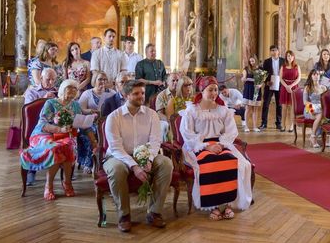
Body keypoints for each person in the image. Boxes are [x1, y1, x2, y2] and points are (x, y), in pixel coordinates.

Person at [104, 80, 173, 232]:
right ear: (126, 95)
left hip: (145, 154)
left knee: (166, 164)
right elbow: (115, 148)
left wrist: (148, 159)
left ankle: (154, 212)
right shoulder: (113, 118)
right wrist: (135, 166)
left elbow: (155, 141)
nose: (141, 96)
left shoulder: (152, 115)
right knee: (116, 170)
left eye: (142, 93)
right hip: (118, 156)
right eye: (136, 94)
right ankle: (124, 215)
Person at [179, 76, 253, 220]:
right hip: (198, 146)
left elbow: (231, 131)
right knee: (211, 164)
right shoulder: (192, 110)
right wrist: (205, 147)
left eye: (216, 90)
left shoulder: (223, 109)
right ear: (202, 90)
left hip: (220, 144)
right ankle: (214, 205)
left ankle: (228, 203)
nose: (214, 93)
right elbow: (187, 133)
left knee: (234, 162)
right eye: (210, 90)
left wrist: (221, 144)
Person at [20, 80, 86, 201]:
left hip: (66, 135)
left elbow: (78, 122)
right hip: (43, 134)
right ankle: (49, 185)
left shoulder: (76, 105)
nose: (72, 90)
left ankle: (67, 182)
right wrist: (59, 129)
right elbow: (43, 124)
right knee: (55, 148)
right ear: (62, 89)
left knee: (68, 147)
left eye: (75, 89)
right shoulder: (51, 103)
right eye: (69, 88)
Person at [260, 45, 285, 130]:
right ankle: (264, 123)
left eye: (275, 50)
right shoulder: (266, 61)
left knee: (279, 104)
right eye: (272, 50)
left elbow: (285, 72)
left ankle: (278, 123)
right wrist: (266, 82)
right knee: (266, 104)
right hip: (269, 84)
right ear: (270, 52)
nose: (274, 52)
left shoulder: (283, 61)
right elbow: (264, 74)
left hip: (280, 84)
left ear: (278, 51)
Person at [303, 69, 326, 148]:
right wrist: (311, 110)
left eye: (317, 74)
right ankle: (313, 137)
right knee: (320, 115)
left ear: (320, 76)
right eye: (314, 74)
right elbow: (305, 102)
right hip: (309, 108)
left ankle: (317, 136)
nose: (316, 76)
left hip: (321, 108)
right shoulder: (308, 87)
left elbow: (326, 101)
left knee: (323, 115)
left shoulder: (323, 88)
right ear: (311, 76)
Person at [279, 50, 301, 132]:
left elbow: (299, 78)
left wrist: (291, 86)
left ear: (293, 57)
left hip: (294, 88)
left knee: (292, 108)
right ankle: (283, 125)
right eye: (288, 56)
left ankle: (291, 125)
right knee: (284, 107)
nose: (290, 57)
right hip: (284, 88)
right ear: (286, 57)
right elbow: (280, 78)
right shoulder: (283, 67)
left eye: (291, 56)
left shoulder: (297, 66)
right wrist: (286, 86)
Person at [241, 56, 262, 132]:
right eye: (250, 61)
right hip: (248, 89)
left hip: (256, 90)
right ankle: (246, 126)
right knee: (248, 108)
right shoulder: (246, 69)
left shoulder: (260, 69)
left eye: (253, 61)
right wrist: (243, 79)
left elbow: (262, 80)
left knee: (255, 109)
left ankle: (255, 127)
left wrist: (260, 85)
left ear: (256, 60)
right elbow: (243, 78)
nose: (251, 63)